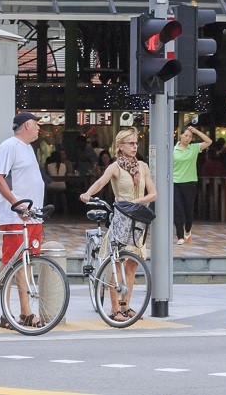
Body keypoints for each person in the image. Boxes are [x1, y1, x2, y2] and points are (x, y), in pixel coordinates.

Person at [79, 127, 156, 322]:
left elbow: (153, 193)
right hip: (122, 217)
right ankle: (114, 309)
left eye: (136, 143)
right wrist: (88, 193)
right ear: (120, 146)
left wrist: (138, 202)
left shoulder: (143, 167)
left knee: (132, 265)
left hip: (138, 218)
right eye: (130, 143)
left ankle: (126, 306)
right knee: (117, 262)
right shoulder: (114, 167)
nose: (134, 146)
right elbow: (100, 183)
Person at [0, 111, 46, 330]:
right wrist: (16, 203)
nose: (39, 128)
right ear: (25, 126)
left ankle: (8, 308)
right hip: (16, 215)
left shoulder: (28, 148)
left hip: (32, 215)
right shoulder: (9, 146)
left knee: (23, 260)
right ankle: (23, 312)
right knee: (16, 262)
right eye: (36, 124)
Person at [172, 124, 211, 246]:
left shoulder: (194, 148)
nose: (188, 138)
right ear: (180, 136)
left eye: (190, 136)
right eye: (185, 135)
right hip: (175, 183)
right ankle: (180, 236)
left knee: (188, 211)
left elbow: (208, 141)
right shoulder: (173, 150)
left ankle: (187, 231)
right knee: (178, 210)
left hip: (190, 183)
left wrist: (196, 131)